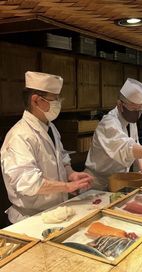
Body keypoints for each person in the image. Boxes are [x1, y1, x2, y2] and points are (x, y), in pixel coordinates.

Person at [0, 71, 93, 224]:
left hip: (55, 211)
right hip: (30, 219)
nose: (58, 103)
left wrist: (71, 174)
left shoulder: (51, 128)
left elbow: (62, 157)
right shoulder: (20, 136)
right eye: (55, 99)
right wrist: (67, 186)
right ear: (36, 100)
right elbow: (29, 183)